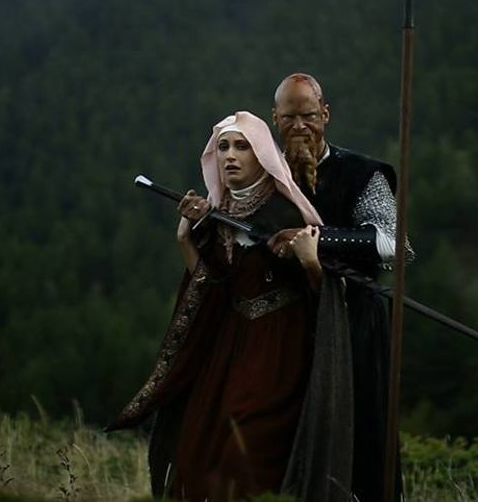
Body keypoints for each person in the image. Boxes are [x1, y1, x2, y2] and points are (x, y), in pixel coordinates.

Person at [107, 111, 355, 502]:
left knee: (247, 451)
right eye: (223, 147)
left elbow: (324, 300)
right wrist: (186, 241)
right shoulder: (216, 213)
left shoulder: (287, 214)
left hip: (278, 350)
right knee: (201, 445)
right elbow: (213, 289)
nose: (230, 156)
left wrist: (310, 260)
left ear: (261, 154)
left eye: (242, 146)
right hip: (228, 346)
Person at [269, 72, 413, 502]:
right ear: (275, 118)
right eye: (290, 117)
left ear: (326, 115)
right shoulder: (263, 175)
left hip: (355, 325)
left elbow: (395, 246)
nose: (300, 126)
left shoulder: (362, 173)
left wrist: (316, 239)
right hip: (285, 324)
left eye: (309, 116)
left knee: (361, 437)